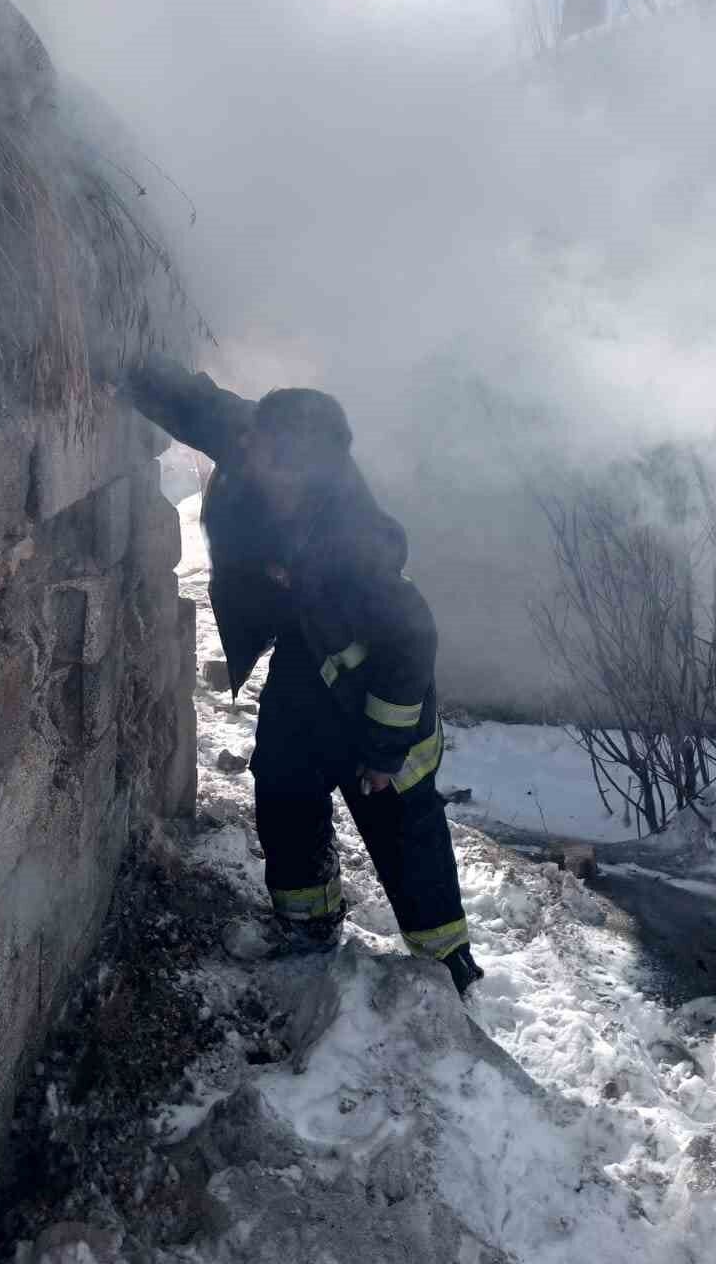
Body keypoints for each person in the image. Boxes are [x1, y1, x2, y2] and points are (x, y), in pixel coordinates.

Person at [120, 357, 484, 997]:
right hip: (305, 654)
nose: (251, 458)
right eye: (254, 443)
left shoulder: (353, 543)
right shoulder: (254, 439)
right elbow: (196, 404)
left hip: (375, 686)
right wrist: (125, 370)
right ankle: (307, 922)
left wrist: (383, 750)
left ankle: (446, 964)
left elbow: (412, 637)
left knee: (399, 826)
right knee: (284, 785)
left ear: (306, 472)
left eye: (269, 456)